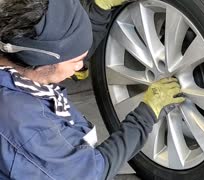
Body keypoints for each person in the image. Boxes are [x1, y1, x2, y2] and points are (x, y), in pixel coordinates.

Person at [0, 0, 185, 180]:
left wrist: (99, 9)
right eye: (74, 62)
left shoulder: (18, 52)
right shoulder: (29, 128)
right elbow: (91, 173)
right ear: (40, 65)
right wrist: (147, 114)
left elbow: (64, 46)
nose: (81, 66)